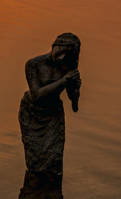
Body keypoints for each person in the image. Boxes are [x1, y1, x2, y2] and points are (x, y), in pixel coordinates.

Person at [18, 33, 81, 199]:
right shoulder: (33, 64)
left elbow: (74, 106)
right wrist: (64, 81)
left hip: (53, 115)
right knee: (34, 161)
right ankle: (32, 191)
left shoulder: (68, 69)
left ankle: (51, 191)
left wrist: (75, 90)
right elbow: (37, 94)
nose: (60, 57)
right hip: (32, 112)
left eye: (66, 54)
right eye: (59, 51)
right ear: (54, 46)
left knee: (54, 159)